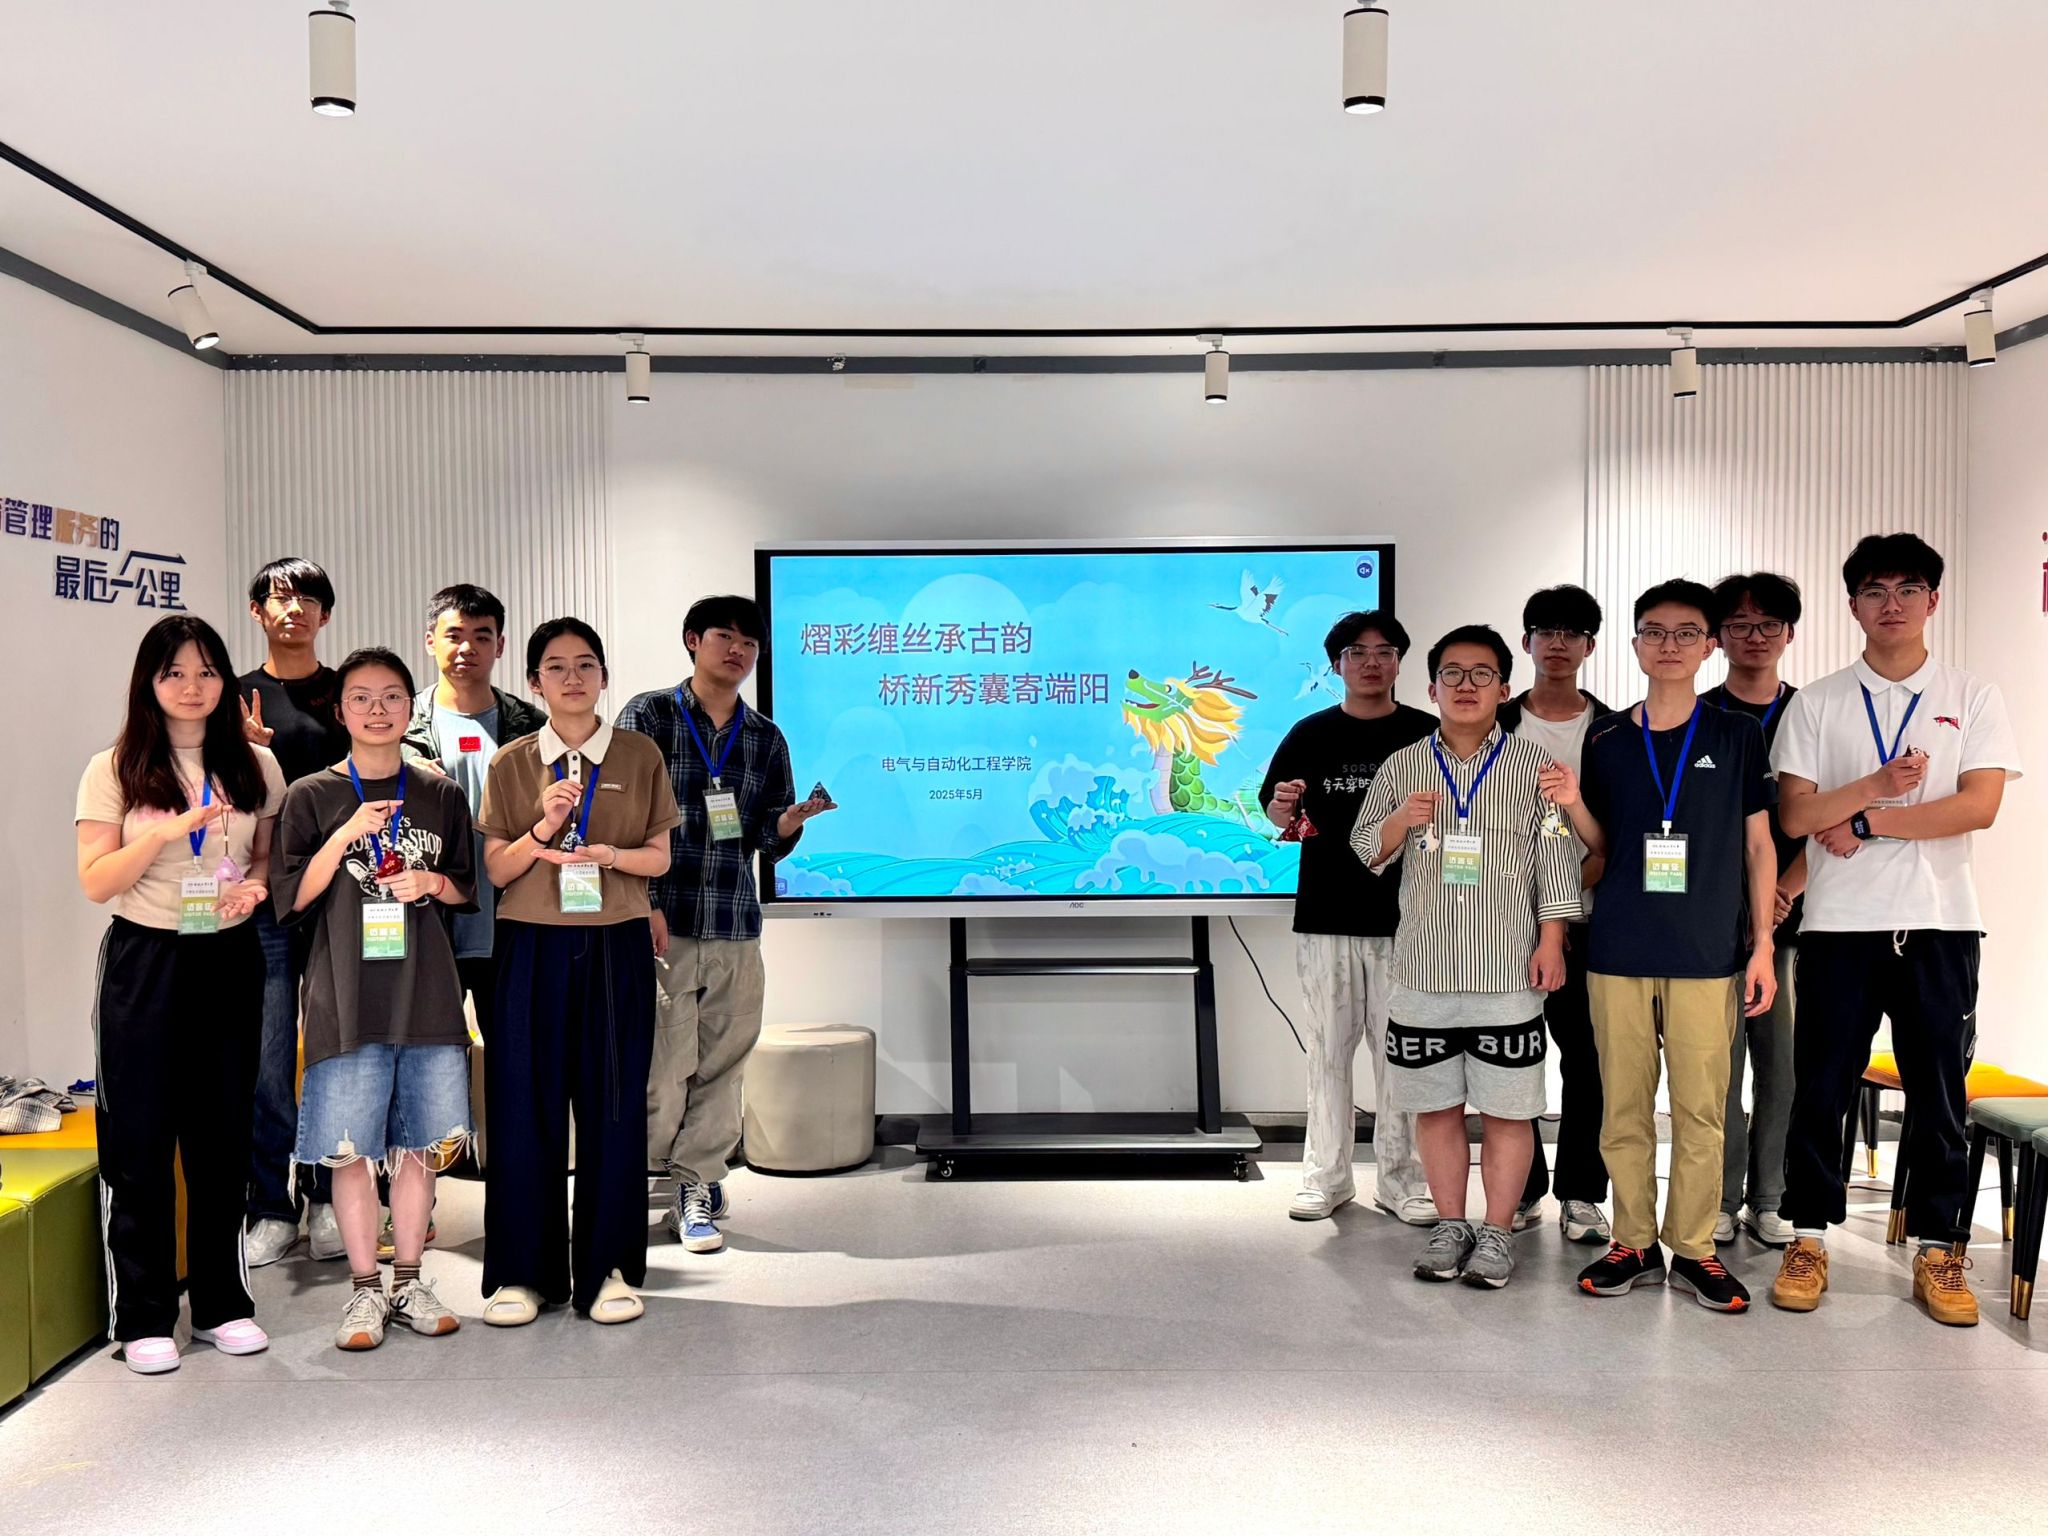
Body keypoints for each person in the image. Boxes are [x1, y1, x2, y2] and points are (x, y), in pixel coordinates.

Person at [1768, 534, 2020, 1326]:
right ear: (1852, 605)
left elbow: (1977, 806)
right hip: (1839, 926)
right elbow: (1796, 816)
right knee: (1822, 1089)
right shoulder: (1817, 702)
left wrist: (1867, 820)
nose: (1892, 604)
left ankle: (1941, 1250)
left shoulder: (1972, 695)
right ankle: (1808, 1238)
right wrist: (1871, 790)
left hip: (1940, 924)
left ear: (1932, 600)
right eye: (1875, 590)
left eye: (1909, 588)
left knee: (1939, 1094)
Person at [1544, 579, 1778, 1313]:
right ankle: (1634, 1241)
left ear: (1709, 646)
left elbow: (1759, 846)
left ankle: (1697, 1248)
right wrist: (1574, 805)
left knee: (1704, 1109)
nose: (1669, 645)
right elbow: (1602, 845)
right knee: (1623, 1105)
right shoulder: (1608, 737)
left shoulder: (1736, 734)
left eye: (1685, 633)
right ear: (1635, 644)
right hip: (1618, 947)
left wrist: (1763, 946)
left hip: (1707, 952)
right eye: (1654, 631)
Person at [75, 615, 286, 1374]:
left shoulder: (256, 764)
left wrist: (255, 888)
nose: (192, 687)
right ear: (150, 682)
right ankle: (143, 1315)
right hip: (147, 961)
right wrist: (163, 835)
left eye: (206, 672)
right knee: (139, 1139)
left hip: (228, 957)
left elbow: (264, 856)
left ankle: (223, 1304)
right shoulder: (115, 767)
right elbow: (96, 881)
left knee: (221, 1137)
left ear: (224, 680)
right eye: (175, 673)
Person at [1351, 626, 1579, 1287]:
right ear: (1431, 688)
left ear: (1504, 689)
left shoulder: (1535, 767)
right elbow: (1366, 850)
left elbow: (1557, 860)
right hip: (1422, 973)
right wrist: (1401, 819)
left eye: (1482, 674)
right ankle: (1452, 1224)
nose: (1467, 685)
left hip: (1508, 972)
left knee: (1509, 1109)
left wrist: (1552, 940)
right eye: (1452, 673)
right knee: (1435, 1108)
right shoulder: (1402, 765)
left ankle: (1498, 1231)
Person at [476, 618, 680, 1325]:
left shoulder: (639, 753)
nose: (572, 677)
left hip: (616, 944)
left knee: (613, 1107)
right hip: (530, 947)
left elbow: (659, 857)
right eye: (556, 666)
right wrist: (541, 827)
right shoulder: (510, 763)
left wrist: (608, 857)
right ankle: (523, 1275)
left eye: (586, 664)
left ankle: (609, 1270)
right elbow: (497, 870)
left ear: (603, 677)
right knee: (522, 1108)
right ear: (534, 682)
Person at [272, 648, 476, 1351]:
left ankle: (410, 1280)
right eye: (361, 697)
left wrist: (432, 884)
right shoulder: (310, 795)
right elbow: (291, 898)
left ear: (409, 707)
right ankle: (364, 1292)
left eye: (392, 696)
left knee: (420, 1146)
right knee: (349, 1151)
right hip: (345, 996)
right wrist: (345, 835)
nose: (377, 710)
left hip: (427, 995)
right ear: (341, 711)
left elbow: (465, 886)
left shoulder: (441, 792)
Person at [617, 596, 831, 1254]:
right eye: (724, 637)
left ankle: (697, 1181)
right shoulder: (649, 715)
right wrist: (644, 900)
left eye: (749, 643)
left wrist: (788, 823)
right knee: (661, 1065)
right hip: (665, 918)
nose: (737, 651)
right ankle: (656, 1172)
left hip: (735, 920)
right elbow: (622, 816)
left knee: (724, 1064)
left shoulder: (765, 736)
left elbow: (765, 835)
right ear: (693, 640)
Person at [1261, 610, 1438, 1223]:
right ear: (1337, 664)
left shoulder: (1426, 733)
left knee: (1401, 1057)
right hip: (1327, 915)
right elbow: (1279, 817)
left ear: (1399, 662)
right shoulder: (1310, 733)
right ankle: (1325, 1178)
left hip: (1410, 923)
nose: (1371, 662)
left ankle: (1401, 1181)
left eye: (1384, 651)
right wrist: (1282, 805)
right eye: (1357, 652)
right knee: (1328, 1053)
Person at [396, 584, 547, 1258]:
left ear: (501, 645)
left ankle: (516, 1208)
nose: (467, 648)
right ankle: (413, 1211)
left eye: (482, 635)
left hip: (512, 924)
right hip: (424, 927)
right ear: (430, 640)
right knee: (422, 1071)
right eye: (454, 634)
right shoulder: (397, 723)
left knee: (516, 1071)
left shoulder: (531, 724)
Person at [239, 556, 353, 1268]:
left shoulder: (349, 692)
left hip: (344, 896)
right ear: (257, 612)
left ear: (325, 614)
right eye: (279, 598)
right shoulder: (235, 697)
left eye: (308, 598)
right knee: (270, 1059)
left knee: (337, 1055)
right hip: (269, 902)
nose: (294, 608)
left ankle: (327, 1197)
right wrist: (246, 755)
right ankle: (270, 1207)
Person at [1497, 585, 1615, 1245]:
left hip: (1591, 924)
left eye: (1573, 632)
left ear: (1590, 646)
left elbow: (1615, 836)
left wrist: (1561, 908)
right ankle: (1522, 1186)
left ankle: (1581, 1193)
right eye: (1546, 630)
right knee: (1512, 1060)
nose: (1559, 643)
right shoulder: (1494, 723)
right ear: (1527, 642)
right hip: (1504, 928)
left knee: (1588, 1061)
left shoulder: (1616, 730)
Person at [1703, 572, 1806, 1249]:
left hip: (1794, 918)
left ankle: (1770, 1198)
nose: (1754, 636)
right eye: (1739, 625)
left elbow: (1832, 817)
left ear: (1789, 633)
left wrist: (1782, 892)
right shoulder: (1697, 714)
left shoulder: (1812, 711)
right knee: (1720, 1068)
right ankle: (1720, 1195)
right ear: (1718, 637)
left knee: (1782, 1066)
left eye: (1768, 624)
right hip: (1715, 922)